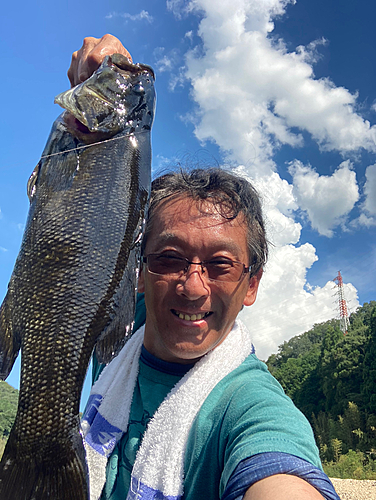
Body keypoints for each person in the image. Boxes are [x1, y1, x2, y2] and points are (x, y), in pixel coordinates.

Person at [74, 36, 340, 500]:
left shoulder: (250, 406)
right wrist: (96, 101)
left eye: (219, 265)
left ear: (251, 283)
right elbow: (85, 223)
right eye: (170, 259)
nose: (192, 287)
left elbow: (278, 474)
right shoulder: (122, 326)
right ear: (138, 272)